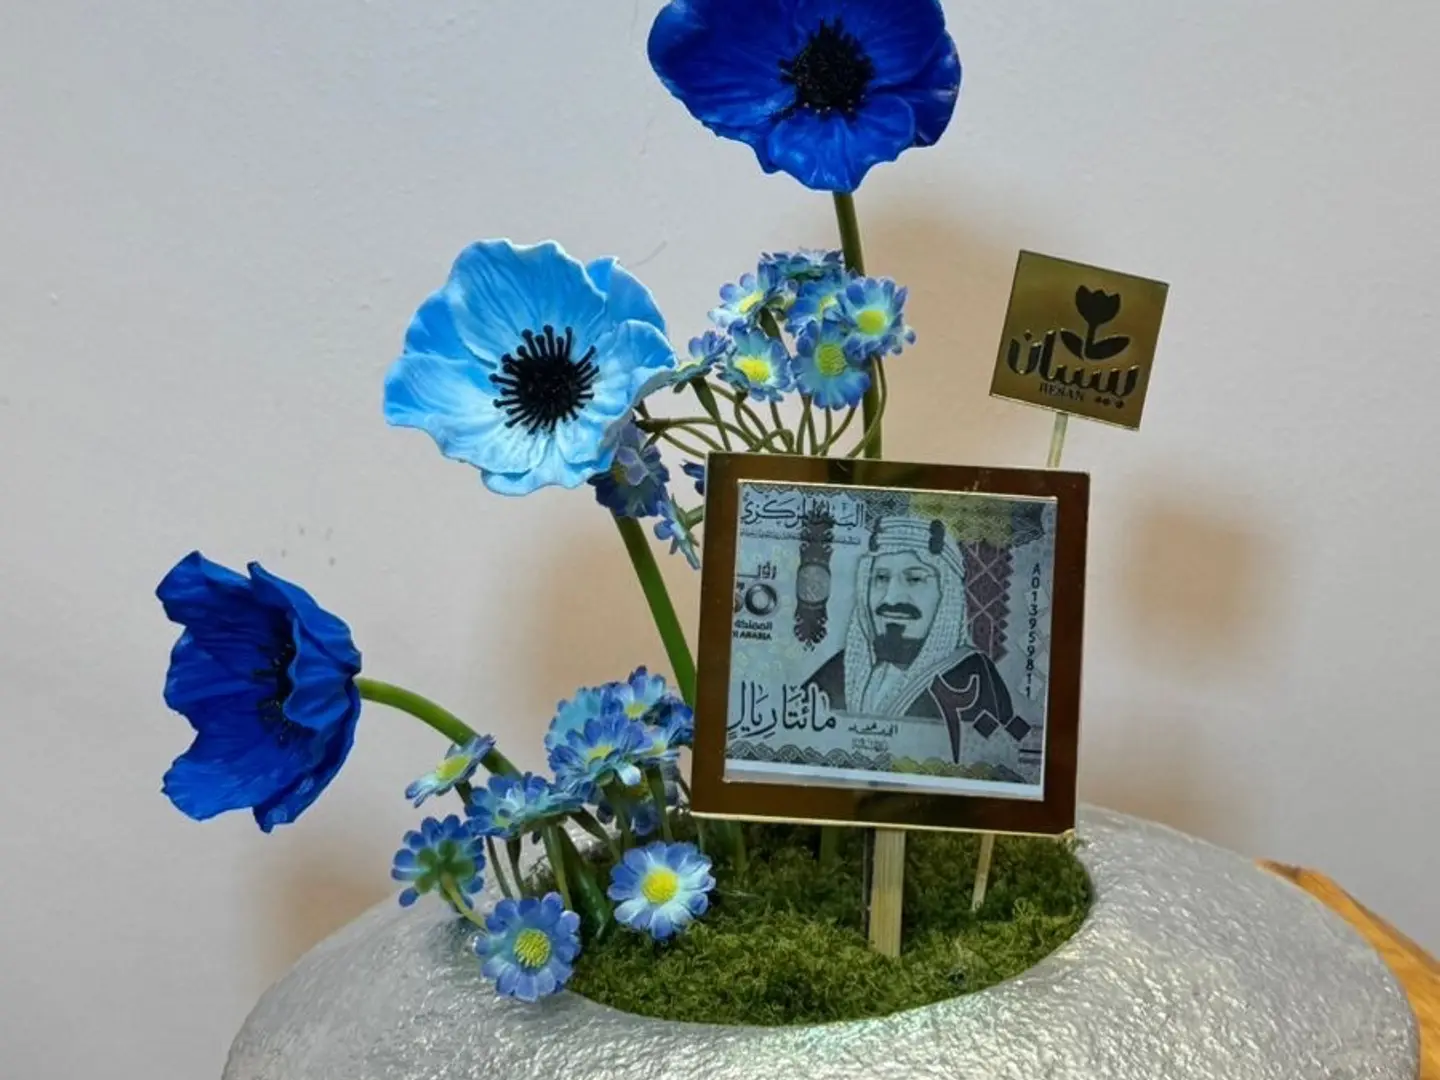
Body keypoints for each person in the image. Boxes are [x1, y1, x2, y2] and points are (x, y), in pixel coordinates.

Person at [803, 516, 1020, 764]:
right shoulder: (839, 671)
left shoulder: (974, 677)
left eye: (915, 579)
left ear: (946, 594)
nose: (891, 598)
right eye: (881, 578)